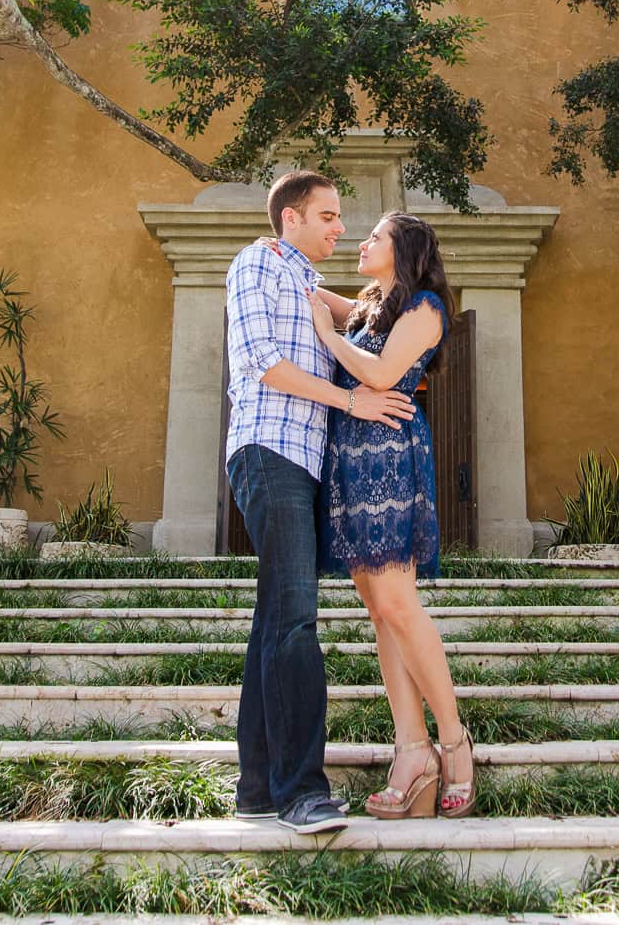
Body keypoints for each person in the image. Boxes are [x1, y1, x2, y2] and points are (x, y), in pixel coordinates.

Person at [223, 171, 415, 834]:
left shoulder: (308, 285)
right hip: (269, 452)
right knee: (296, 619)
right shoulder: (259, 262)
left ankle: (256, 786)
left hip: (304, 464)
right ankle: (302, 789)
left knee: (275, 619)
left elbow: (378, 316)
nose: (340, 226)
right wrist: (351, 399)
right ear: (290, 219)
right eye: (328, 215)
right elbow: (262, 360)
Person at [306, 211, 476, 819]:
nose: (362, 242)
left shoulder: (425, 308)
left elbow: (378, 373)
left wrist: (326, 334)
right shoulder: (375, 305)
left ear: (403, 249)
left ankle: (454, 742)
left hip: (389, 458)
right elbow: (320, 295)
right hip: (350, 460)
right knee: (379, 610)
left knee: (399, 604)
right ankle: (411, 749)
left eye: (375, 236)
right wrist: (291, 271)